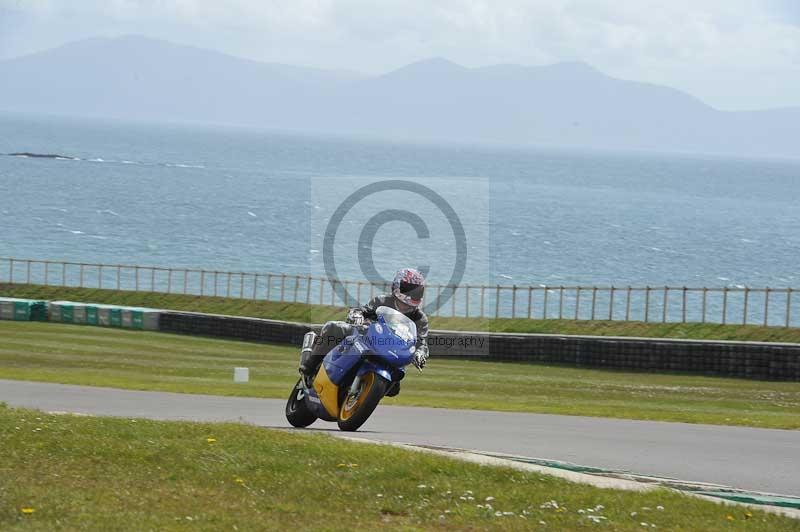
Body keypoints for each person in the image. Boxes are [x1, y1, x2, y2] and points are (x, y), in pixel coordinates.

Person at [300, 268, 430, 396]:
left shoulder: (420, 318)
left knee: (394, 389)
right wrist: (357, 315)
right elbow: (362, 310)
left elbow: (421, 341)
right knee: (334, 327)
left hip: (393, 352)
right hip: (367, 338)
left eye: (417, 291)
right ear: (397, 286)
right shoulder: (382, 301)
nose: (412, 294)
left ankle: (362, 393)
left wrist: (420, 353)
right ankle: (309, 368)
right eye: (409, 288)